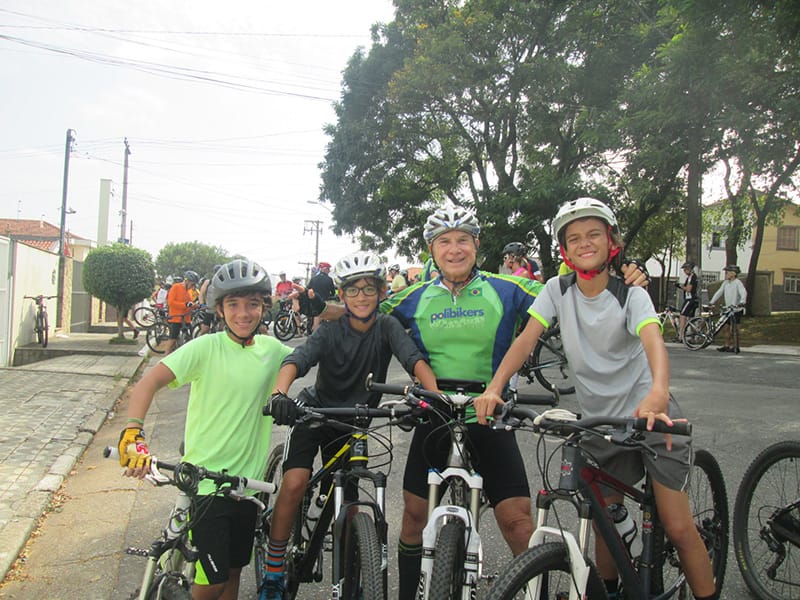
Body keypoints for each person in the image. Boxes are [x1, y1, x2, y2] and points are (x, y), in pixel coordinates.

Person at [384, 205, 651, 600]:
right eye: (444, 242)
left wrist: (627, 271)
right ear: (432, 250)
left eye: (463, 240)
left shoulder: (507, 289)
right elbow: (362, 313)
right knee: (413, 517)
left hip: (491, 413)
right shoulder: (412, 297)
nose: (454, 249)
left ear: (477, 244)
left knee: (517, 522)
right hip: (434, 414)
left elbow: (575, 288)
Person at [474, 197, 718, 600]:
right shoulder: (557, 290)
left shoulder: (631, 295)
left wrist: (658, 393)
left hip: (649, 415)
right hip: (599, 423)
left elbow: (654, 344)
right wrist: (495, 387)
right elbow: (526, 340)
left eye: (593, 234)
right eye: (574, 238)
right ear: (565, 251)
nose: (584, 243)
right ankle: (610, 592)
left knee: (677, 527)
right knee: (605, 523)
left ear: (611, 242)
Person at [261, 252, 438, 600]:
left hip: (354, 422)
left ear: (382, 292)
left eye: (369, 289)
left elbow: (413, 359)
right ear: (341, 295)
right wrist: (280, 394)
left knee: (351, 501)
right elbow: (297, 360)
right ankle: (273, 570)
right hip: (315, 413)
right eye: (353, 290)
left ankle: (355, 572)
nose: (361, 297)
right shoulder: (329, 330)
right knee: (295, 483)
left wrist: (434, 397)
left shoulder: (386, 327)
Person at [117, 259, 292, 600]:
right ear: (219, 309)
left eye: (253, 304)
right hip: (207, 484)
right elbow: (147, 383)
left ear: (264, 307)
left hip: (248, 487)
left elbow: (310, 356)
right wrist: (133, 433)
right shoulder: (205, 348)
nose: (243, 313)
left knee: (233, 570)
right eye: (233, 304)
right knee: (212, 581)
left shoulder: (272, 351)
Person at [709, 264, 747, 353]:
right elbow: (719, 292)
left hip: (736, 309)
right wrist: (712, 302)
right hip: (728, 309)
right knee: (725, 328)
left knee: (735, 329)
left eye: (728, 272)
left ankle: (736, 346)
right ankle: (727, 345)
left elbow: (743, 292)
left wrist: (742, 302)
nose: (726, 274)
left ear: (733, 274)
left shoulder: (738, 283)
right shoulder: (725, 283)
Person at [163, 270, 200, 354]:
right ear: (187, 281)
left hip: (186, 319)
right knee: (173, 339)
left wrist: (196, 306)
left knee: (190, 337)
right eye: (192, 284)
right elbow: (171, 302)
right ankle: (166, 357)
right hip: (176, 318)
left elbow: (190, 303)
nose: (193, 286)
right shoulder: (176, 287)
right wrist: (185, 304)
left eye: (194, 285)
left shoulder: (188, 291)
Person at [306, 262, 336, 331]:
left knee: (313, 316)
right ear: (324, 269)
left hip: (314, 302)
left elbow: (308, 289)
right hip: (324, 302)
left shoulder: (313, 279)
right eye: (328, 269)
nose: (329, 271)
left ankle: (310, 330)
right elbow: (333, 292)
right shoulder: (329, 279)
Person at [677, 261, 699, 343]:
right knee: (691, 318)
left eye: (685, 269)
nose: (684, 271)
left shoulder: (693, 277)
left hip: (690, 299)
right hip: (691, 299)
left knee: (682, 315)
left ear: (690, 269)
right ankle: (693, 336)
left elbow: (688, 289)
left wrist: (680, 286)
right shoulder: (689, 277)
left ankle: (681, 336)